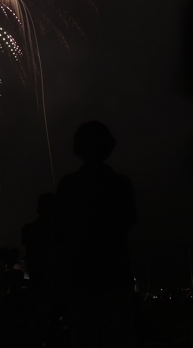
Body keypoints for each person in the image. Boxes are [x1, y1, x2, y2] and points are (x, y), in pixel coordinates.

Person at [56, 121, 136, 347]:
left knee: (84, 335)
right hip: (115, 272)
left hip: (80, 274)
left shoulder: (69, 185)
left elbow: (62, 230)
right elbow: (126, 225)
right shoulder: (121, 184)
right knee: (119, 334)